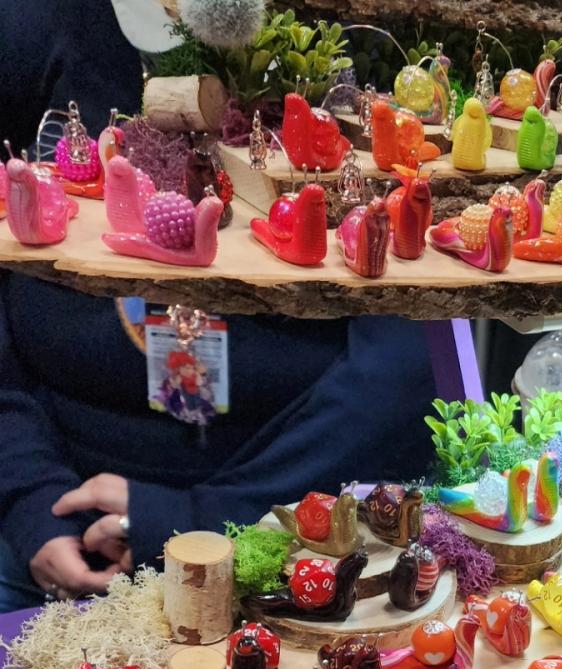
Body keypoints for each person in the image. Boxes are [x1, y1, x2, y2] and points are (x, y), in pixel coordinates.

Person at [0, 0, 437, 610]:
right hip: (58, 529)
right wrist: (30, 499)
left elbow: (403, 368)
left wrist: (201, 518)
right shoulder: (38, 27)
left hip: (295, 533)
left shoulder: (339, 36)